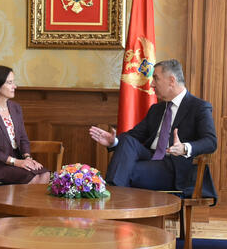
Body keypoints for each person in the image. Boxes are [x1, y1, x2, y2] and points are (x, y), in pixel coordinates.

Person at [88, 58, 217, 198]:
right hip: (151, 158)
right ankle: (112, 200)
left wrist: (184, 148)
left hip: (173, 166)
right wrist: (114, 142)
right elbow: (134, 136)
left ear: (171, 81)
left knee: (127, 171)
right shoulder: (156, 109)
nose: (151, 84)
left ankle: (110, 198)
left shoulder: (199, 107)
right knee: (126, 140)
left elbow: (211, 141)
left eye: (156, 78)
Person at [0, 65, 50, 185]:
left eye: (13, 82)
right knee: (32, 178)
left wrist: (27, 158)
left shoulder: (15, 108)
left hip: (17, 161)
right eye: (9, 82)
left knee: (45, 174)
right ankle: (20, 204)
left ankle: (26, 204)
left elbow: (23, 138)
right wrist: (16, 162)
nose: (14, 86)